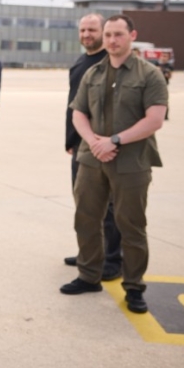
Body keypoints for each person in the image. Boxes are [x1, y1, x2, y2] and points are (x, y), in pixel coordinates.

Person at [61, 14, 168, 315]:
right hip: (91, 159)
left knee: (131, 225)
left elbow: (155, 119)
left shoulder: (150, 74)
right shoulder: (92, 73)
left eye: (118, 34)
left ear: (132, 35)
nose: (111, 40)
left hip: (132, 162)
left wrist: (115, 141)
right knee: (86, 218)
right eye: (108, 35)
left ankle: (133, 287)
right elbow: (78, 113)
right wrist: (94, 142)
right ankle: (88, 276)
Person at [63, 14, 122, 281]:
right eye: (83, 30)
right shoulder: (80, 63)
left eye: (92, 30)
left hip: (104, 146)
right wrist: (70, 140)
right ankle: (90, 254)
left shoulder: (109, 62)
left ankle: (112, 258)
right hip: (80, 145)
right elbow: (74, 105)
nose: (87, 34)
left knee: (108, 208)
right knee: (85, 205)